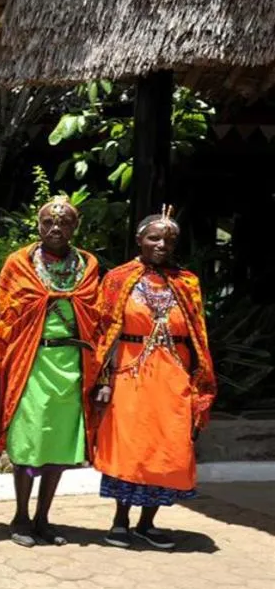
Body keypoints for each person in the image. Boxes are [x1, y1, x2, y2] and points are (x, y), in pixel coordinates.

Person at [92, 207, 215, 550]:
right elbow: (104, 332)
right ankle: (119, 522)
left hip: (174, 376)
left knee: (168, 446)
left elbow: (199, 336)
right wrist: (103, 380)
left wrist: (199, 383)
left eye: (169, 240)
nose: (162, 245)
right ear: (139, 240)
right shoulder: (118, 278)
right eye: (154, 238)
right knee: (130, 447)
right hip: (129, 373)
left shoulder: (187, 283)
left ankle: (148, 523)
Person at [0, 196, 100, 547]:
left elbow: (95, 313)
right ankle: (21, 517)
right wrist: (45, 302)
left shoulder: (87, 265)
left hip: (72, 364)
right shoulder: (19, 263)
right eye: (49, 222)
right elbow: (7, 313)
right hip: (32, 361)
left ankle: (43, 519)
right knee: (29, 441)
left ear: (75, 227)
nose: (56, 228)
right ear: (38, 226)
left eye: (64, 222)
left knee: (59, 445)